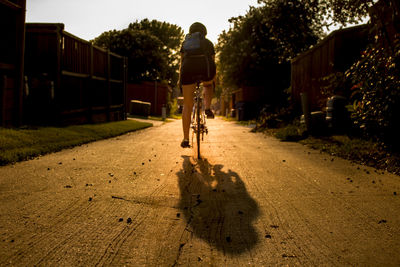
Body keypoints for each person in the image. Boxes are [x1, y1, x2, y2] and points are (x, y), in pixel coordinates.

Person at [179, 22, 216, 148]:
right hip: (205, 69)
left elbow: (182, 63)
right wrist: (212, 79)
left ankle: (185, 139)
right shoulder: (209, 43)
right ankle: (207, 108)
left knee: (187, 105)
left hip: (188, 70)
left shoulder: (185, 44)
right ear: (204, 32)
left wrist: (181, 80)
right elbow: (213, 62)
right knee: (208, 84)